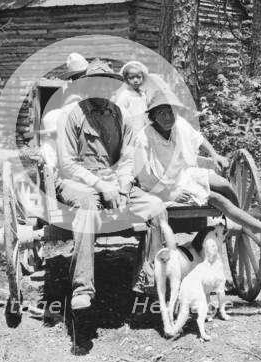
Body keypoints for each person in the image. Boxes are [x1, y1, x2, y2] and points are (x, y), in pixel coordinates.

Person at [56, 60, 177, 311]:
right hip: (79, 182)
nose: (100, 87)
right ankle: (83, 288)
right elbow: (67, 164)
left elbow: (128, 156)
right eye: (95, 83)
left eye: (105, 83)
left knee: (157, 208)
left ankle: (146, 276)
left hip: (115, 182)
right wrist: (101, 185)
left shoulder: (118, 114)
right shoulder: (72, 114)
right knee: (87, 209)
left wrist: (122, 185)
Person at [134, 79, 261, 243]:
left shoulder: (179, 124)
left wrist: (214, 155)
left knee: (225, 184)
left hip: (183, 173)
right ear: (153, 116)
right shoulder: (143, 139)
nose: (167, 117)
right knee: (217, 198)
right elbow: (145, 179)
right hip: (162, 186)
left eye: (170, 111)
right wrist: (171, 193)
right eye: (161, 113)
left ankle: (239, 218)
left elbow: (198, 139)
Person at [114, 61, 149, 136]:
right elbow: (120, 115)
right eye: (131, 78)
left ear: (143, 78)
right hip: (130, 132)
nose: (135, 80)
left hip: (143, 130)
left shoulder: (143, 95)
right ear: (126, 80)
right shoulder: (125, 96)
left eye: (138, 77)